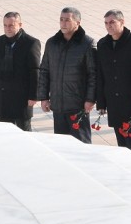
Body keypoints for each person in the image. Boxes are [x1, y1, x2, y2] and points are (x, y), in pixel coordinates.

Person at [37, 7, 97, 143]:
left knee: (82, 145)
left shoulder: (87, 44)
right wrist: (43, 97)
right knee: (61, 145)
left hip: (78, 105)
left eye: (67, 20)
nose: (63, 23)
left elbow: (93, 74)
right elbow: (44, 71)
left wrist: (90, 99)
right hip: (58, 104)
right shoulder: (52, 43)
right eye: (61, 20)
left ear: (78, 22)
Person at [96, 9, 131, 154]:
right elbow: (101, 75)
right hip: (114, 102)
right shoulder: (103, 44)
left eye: (112, 22)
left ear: (122, 22)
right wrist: (101, 102)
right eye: (106, 23)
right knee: (122, 142)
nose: (108, 26)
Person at [0, 12, 42, 131]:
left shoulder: (31, 43)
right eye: (5, 25)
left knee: (24, 131)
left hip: (22, 97)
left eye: (11, 25)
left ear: (20, 24)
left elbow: (35, 71)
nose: (8, 29)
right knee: (5, 131)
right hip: (2, 95)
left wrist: (33, 95)